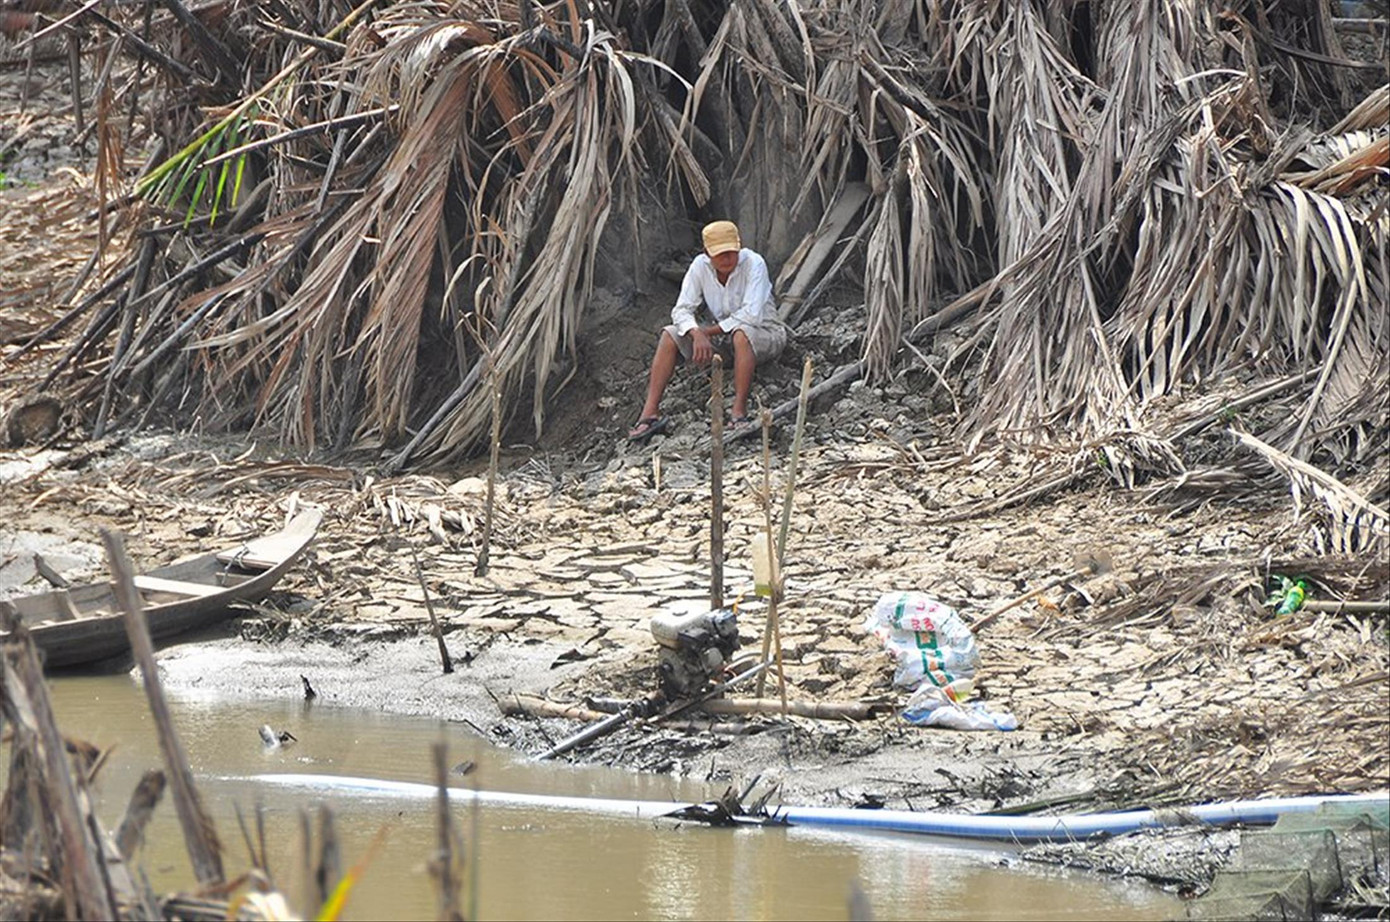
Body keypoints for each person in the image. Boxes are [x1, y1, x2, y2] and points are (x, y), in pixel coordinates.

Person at [627, 220, 789, 441]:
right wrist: (695, 333)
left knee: (741, 333)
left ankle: (738, 413)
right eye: (720, 254)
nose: (727, 259)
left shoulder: (754, 263)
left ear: (739, 248)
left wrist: (707, 333)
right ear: (707, 253)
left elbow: (751, 315)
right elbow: (682, 310)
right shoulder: (699, 267)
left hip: (764, 334)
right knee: (669, 334)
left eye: (731, 252)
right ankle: (649, 414)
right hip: (726, 341)